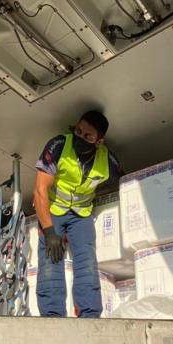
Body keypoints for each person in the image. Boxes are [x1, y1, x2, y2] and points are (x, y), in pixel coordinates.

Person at [34, 110, 122, 317]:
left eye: (88, 136)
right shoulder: (58, 145)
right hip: (53, 209)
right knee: (50, 259)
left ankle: (90, 316)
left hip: (81, 215)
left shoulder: (107, 159)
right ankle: (52, 317)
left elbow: (124, 181)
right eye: (79, 131)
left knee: (87, 262)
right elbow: (40, 190)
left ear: (99, 141)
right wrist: (48, 232)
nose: (80, 137)